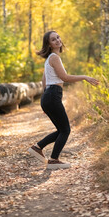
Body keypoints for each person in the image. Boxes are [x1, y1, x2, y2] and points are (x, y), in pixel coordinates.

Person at [28, 30, 99, 169]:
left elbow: (44, 80)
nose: (57, 40)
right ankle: (53, 159)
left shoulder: (50, 59)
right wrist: (84, 77)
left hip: (49, 96)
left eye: (58, 37)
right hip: (52, 95)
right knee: (65, 130)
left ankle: (38, 147)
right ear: (49, 44)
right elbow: (65, 78)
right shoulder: (54, 57)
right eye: (53, 39)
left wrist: (46, 100)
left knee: (61, 129)